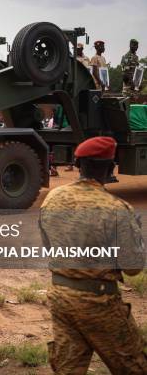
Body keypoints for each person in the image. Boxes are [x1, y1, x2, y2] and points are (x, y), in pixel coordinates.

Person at [40, 136, 147, 374]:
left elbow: (49, 245)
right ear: (111, 167)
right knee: (135, 366)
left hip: (60, 296)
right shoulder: (117, 209)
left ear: (78, 165)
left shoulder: (53, 198)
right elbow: (133, 267)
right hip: (98, 301)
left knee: (68, 369)